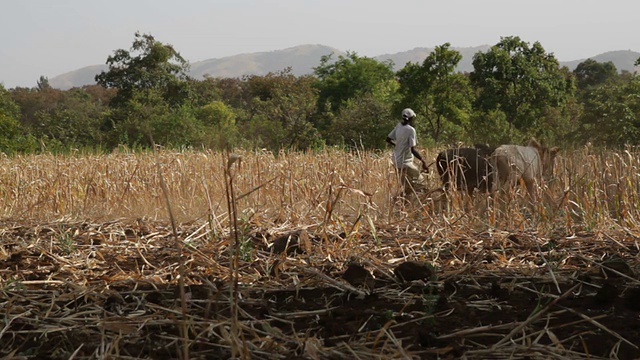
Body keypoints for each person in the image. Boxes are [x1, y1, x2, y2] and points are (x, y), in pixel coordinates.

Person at [386, 108, 428, 197]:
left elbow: (388, 139)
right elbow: (413, 150)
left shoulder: (399, 126)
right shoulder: (411, 130)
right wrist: (423, 161)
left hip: (396, 161)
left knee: (407, 187)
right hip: (406, 162)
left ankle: (398, 204)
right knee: (422, 184)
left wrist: (398, 145)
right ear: (411, 118)